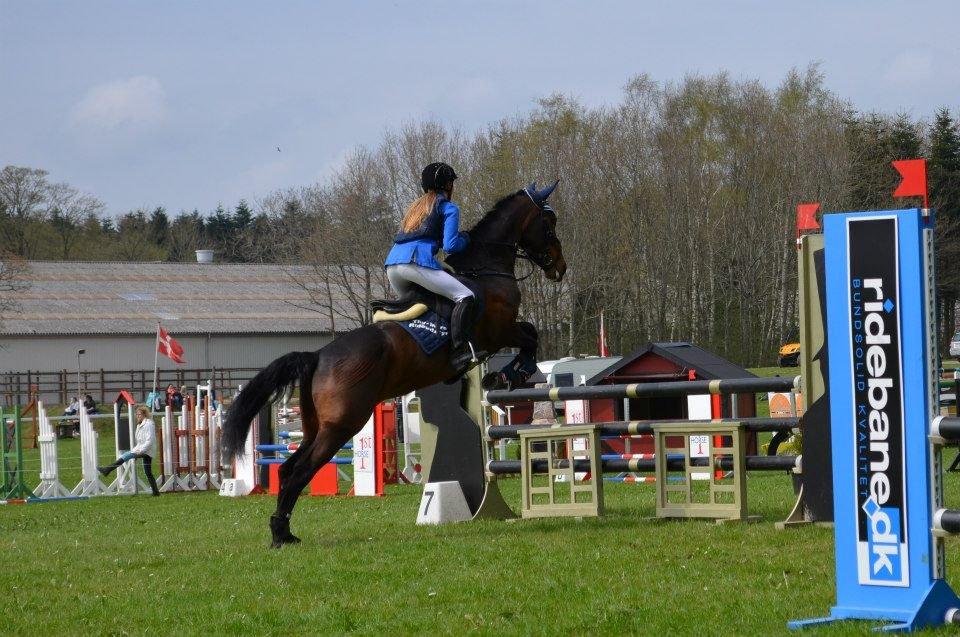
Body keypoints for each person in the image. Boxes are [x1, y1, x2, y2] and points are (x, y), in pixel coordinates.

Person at [384, 162, 476, 369]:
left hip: (392, 266)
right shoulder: (448, 208)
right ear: (449, 184)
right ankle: (459, 352)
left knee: (417, 309)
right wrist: (467, 239)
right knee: (465, 296)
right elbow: (450, 246)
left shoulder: (414, 209)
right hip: (416, 263)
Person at [98, 405, 160, 496]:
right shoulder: (140, 424)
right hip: (142, 449)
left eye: (139, 414)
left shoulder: (149, 424)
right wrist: (135, 451)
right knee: (148, 472)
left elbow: (149, 440)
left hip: (147, 450)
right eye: (137, 414)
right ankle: (156, 492)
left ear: (144, 414)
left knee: (126, 455)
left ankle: (107, 470)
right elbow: (139, 442)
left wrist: (139, 451)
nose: (137, 416)